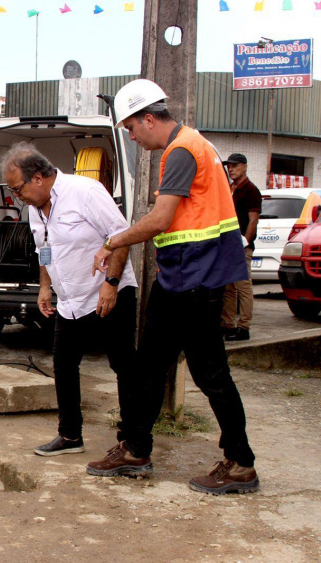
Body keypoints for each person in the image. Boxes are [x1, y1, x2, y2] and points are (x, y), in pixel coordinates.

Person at [90, 79, 259, 495]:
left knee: (209, 373)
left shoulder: (181, 150)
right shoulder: (191, 145)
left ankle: (240, 463)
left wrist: (113, 241)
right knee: (149, 366)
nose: (130, 135)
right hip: (181, 277)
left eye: (131, 127)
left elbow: (161, 220)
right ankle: (135, 448)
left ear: (149, 119)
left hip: (194, 279)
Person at [0, 142, 138, 457]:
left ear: (38, 178)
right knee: (63, 364)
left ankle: (131, 440)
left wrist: (111, 284)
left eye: (17, 189)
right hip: (71, 299)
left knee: (123, 364)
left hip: (108, 293)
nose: (16, 196)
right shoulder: (35, 208)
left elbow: (120, 236)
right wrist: (44, 286)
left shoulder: (85, 192)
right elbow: (43, 248)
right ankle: (70, 435)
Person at [220, 153, 261, 342]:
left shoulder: (251, 190)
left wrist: (245, 240)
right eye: (229, 166)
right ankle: (227, 325)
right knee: (228, 287)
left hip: (241, 245)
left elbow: (253, 220)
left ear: (245, 166)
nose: (231, 169)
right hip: (227, 244)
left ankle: (244, 327)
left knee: (243, 286)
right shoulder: (230, 188)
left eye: (235, 166)